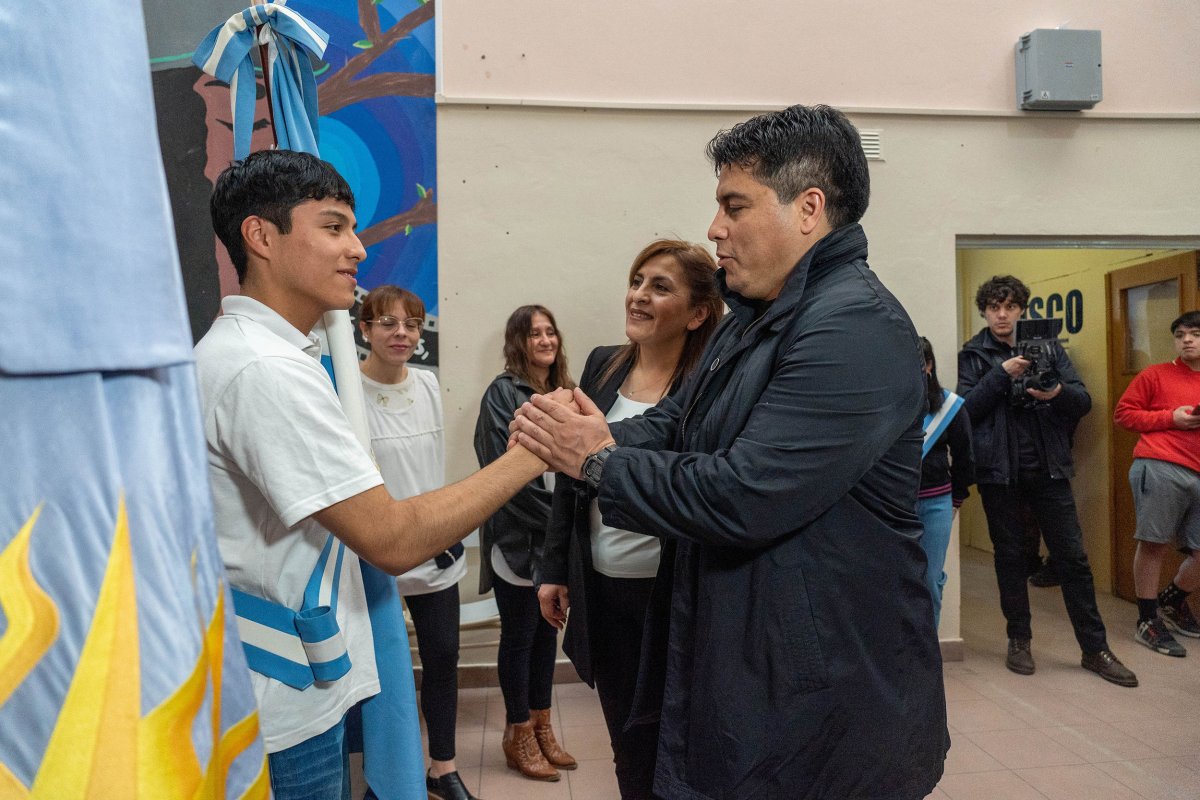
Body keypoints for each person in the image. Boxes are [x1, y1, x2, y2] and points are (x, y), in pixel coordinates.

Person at [512, 105, 948, 800]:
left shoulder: (854, 327)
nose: (715, 227)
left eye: (734, 206)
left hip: (822, 687)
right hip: (753, 657)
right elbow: (683, 422)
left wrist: (597, 460)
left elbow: (745, 493)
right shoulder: (757, 318)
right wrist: (599, 431)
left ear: (808, 209)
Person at [194, 149, 550, 799]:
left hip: (290, 676)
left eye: (353, 229)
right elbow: (391, 537)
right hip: (280, 706)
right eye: (333, 227)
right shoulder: (264, 370)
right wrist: (533, 453)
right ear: (261, 236)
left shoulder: (271, 356)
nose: (357, 249)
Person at [536, 240, 724, 799]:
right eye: (637, 281)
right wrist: (555, 568)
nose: (638, 296)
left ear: (697, 313)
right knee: (627, 740)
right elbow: (571, 473)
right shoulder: (604, 363)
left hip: (673, 594)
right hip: (603, 585)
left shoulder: (708, 384)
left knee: (678, 741)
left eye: (660, 287)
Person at [957, 275, 1137, 686]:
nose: (1002, 315)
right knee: (1011, 559)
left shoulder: (1050, 349)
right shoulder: (973, 355)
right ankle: (1018, 640)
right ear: (984, 312)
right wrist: (1001, 374)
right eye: (994, 308)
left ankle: (1095, 648)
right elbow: (965, 412)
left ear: (1022, 310)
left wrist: (1055, 392)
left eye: (1010, 307)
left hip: (1049, 469)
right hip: (999, 474)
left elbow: (1083, 402)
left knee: (1073, 559)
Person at [357, 285, 478, 800]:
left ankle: (442, 768)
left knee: (443, 657)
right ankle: (380, 776)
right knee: (380, 670)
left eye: (410, 323)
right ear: (364, 329)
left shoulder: (428, 384)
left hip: (434, 549)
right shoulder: (347, 392)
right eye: (387, 323)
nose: (401, 333)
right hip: (375, 553)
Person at [473, 306, 577, 782]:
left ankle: (541, 726)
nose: (545, 339)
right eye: (534, 333)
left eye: (550, 331)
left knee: (546, 635)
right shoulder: (502, 393)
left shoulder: (568, 392)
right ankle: (518, 734)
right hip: (515, 543)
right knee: (519, 637)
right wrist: (560, 525)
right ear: (519, 341)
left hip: (552, 545)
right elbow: (502, 476)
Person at [1113, 310, 1200, 657]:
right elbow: (1124, 415)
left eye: (1195, 334)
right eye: (1180, 335)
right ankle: (1147, 620)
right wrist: (1171, 418)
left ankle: (1173, 600)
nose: (1187, 340)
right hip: (1161, 464)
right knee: (1154, 545)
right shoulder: (1155, 374)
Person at [917, 336, 974, 628]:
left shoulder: (949, 406)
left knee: (929, 581)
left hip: (935, 504)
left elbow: (965, 457)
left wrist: (957, 498)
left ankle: (927, 651)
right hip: (892, 505)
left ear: (929, 365)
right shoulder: (886, 405)